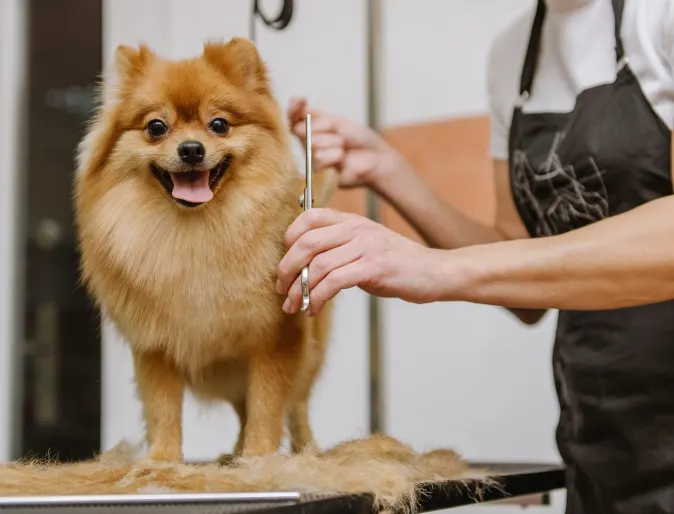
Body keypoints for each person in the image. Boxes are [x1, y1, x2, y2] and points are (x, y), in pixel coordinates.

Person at [276, 0, 674, 512]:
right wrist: (387, 169)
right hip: (600, 434)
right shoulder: (512, 57)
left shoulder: (658, 15)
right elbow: (522, 279)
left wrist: (433, 268)